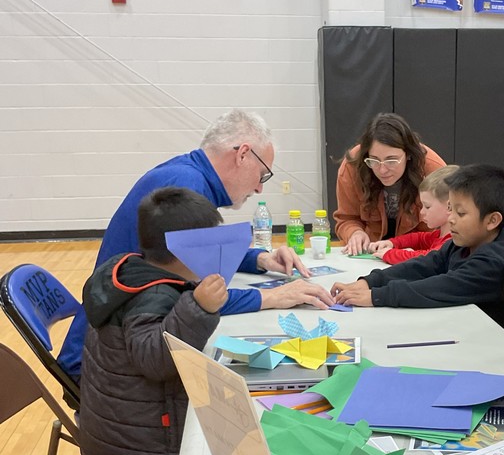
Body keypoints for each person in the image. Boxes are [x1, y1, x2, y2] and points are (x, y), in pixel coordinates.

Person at [59, 109, 333, 381]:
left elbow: (193, 259)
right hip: (109, 372)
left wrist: (259, 259)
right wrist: (274, 296)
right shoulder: (187, 186)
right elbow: (195, 296)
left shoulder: (188, 173)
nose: (260, 188)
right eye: (262, 175)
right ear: (242, 154)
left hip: (111, 347)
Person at [78, 187, 229, 455]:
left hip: (119, 438)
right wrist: (197, 309)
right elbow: (155, 359)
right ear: (186, 250)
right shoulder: (156, 294)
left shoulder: (129, 273)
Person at [332, 165, 504, 345]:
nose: (452, 219)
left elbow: (439, 287)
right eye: (450, 210)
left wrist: (376, 296)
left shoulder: (493, 263)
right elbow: (425, 265)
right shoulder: (463, 243)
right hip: (475, 336)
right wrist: (370, 282)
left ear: (492, 221)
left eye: (461, 213)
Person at [334, 112, 446, 255]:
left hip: (419, 253)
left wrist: (401, 253)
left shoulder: (434, 171)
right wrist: (354, 233)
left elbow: (446, 231)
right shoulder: (352, 166)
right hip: (372, 252)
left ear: (408, 154)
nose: (382, 169)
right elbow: (346, 218)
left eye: (391, 160)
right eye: (373, 160)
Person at [368, 164, 458, 265]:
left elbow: (427, 259)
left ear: (449, 207)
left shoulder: (453, 241)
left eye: (427, 206)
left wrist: (390, 254)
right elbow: (419, 238)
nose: (422, 212)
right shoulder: (440, 235)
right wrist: (392, 243)